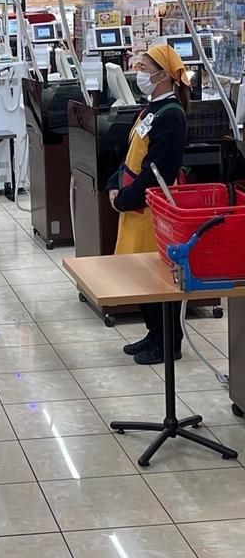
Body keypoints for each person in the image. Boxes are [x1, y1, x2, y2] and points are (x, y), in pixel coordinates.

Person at [107, 44, 191, 366]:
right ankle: (154, 333)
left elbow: (158, 171)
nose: (138, 73)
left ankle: (169, 342)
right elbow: (131, 156)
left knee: (157, 278)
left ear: (164, 75)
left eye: (144, 68)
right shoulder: (149, 110)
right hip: (136, 206)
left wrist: (126, 198)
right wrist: (115, 184)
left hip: (153, 209)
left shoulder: (172, 115)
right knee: (139, 275)